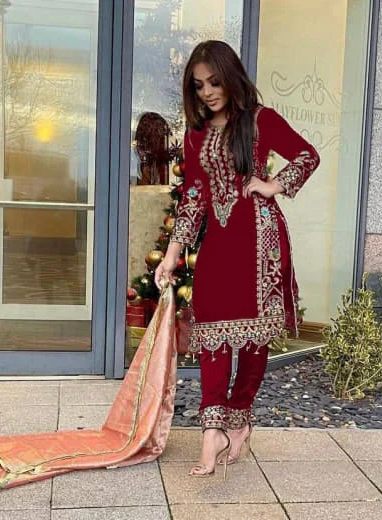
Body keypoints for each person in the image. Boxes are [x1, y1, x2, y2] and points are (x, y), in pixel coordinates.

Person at [154, 40, 320, 478]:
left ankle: (238, 419)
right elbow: (194, 198)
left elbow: (308, 155)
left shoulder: (261, 121)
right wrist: (172, 256)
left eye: (214, 82)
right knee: (211, 330)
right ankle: (212, 429)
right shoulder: (196, 134)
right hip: (219, 245)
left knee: (252, 337)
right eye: (198, 85)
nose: (207, 92)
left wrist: (273, 184)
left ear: (230, 77)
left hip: (262, 243)